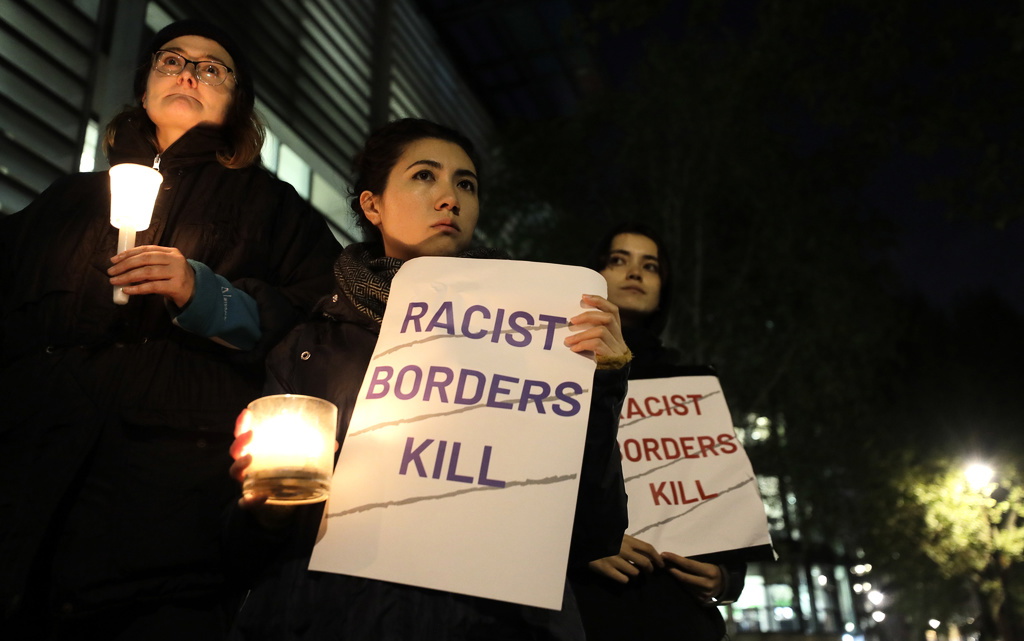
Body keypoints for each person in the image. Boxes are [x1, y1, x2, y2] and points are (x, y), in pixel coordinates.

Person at [225, 117, 630, 640]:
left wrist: (601, 385)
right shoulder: (309, 349)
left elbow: (595, 530)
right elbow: (244, 547)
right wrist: (267, 510)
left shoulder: (540, 340)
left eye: (466, 184)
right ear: (373, 206)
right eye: (424, 176)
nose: (449, 198)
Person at [0, 19, 340, 640]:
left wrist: (211, 296)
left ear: (238, 100)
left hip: (164, 518)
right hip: (24, 485)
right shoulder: (71, 198)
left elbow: (316, 318)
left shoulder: (275, 209)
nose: (188, 73)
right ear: (145, 84)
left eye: (213, 68)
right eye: (172, 59)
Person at [568, 222, 747, 641]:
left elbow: (720, 489)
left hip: (679, 615)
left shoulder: (693, 385)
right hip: (587, 612)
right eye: (618, 261)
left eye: (650, 266)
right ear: (593, 274)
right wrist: (581, 545)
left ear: (664, 286)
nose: (634, 273)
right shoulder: (553, 372)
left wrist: (726, 577)